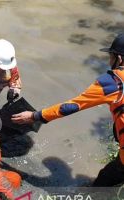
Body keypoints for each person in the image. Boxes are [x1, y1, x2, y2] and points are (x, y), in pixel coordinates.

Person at [11, 34, 124, 187]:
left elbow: (71, 106)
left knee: (102, 183)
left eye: (110, 57)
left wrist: (35, 116)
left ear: (119, 59)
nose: (109, 61)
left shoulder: (112, 83)